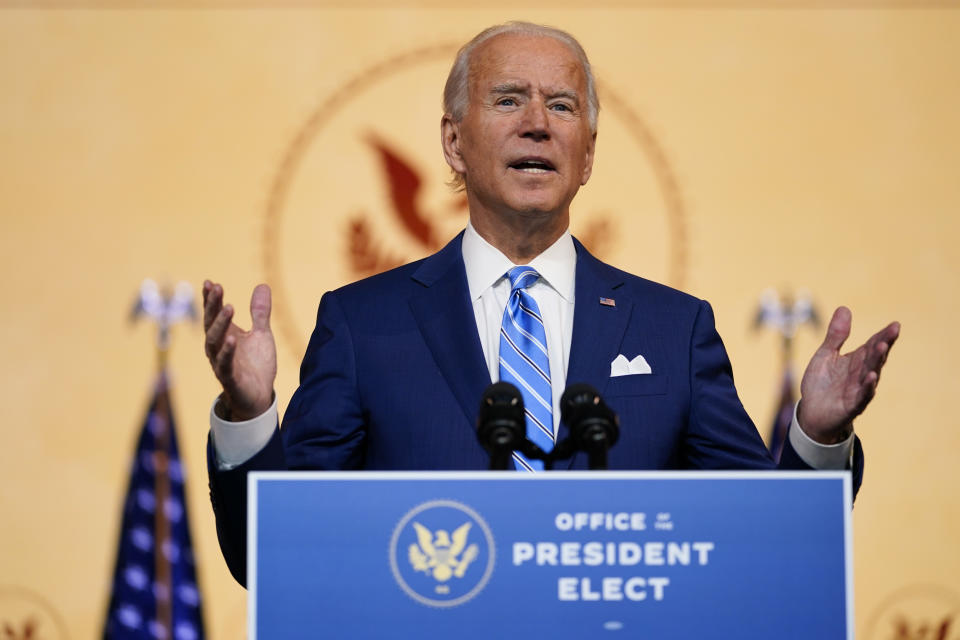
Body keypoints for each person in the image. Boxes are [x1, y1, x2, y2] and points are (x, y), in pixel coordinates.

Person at [202, 22, 900, 586]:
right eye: (508, 99)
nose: (538, 124)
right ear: (454, 141)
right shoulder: (362, 324)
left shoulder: (674, 329)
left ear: (587, 154)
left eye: (561, 106)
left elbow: (766, 549)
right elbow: (274, 560)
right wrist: (249, 416)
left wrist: (818, 437)